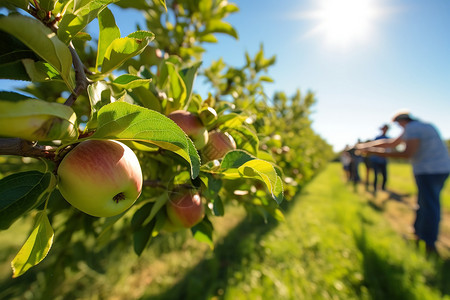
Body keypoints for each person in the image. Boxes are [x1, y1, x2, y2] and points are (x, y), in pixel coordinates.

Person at [356, 111, 450, 254]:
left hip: (429, 171)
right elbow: (391, 143)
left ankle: (429, 243)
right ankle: (418, 232)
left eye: (398, 124)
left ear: (402, 121)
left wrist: (373, 151)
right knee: (424, 201)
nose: (399, 127)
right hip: (438, 169)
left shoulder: (412, 128)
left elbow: (406, 153)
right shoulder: (422, 126)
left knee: (430, 205)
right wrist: (366, 146)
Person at [370, 124, 390, 194]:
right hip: (375, 160)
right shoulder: (377, 138)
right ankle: (375, 188)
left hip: (384, 160)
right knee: (375, 175)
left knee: (384, 176)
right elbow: (373, 147)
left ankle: (383, 188)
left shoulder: (388, 138)